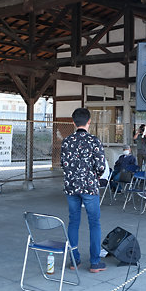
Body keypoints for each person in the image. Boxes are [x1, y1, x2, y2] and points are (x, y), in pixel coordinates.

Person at [61, 108, 106, 273]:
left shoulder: (66, 141)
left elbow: (63, 165)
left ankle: (74, 260)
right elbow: (101, 166)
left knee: (73, 222)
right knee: (94, 223)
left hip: (71, 187)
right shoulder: (94, 141)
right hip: (89, 187)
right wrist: (94, 175)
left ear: (73, 122)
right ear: (89, 122)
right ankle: (95, 262)